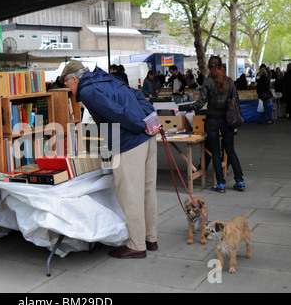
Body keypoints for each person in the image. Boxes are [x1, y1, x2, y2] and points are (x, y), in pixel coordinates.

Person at [60, 60, 160, 259]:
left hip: (128, 141)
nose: (68, 88)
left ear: (73, 78)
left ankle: (137, 244)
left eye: (66, 83)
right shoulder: (109, 77)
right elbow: (138, 95)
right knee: (148, 190)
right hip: (148, 138)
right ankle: (151, 238)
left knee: (130, 195)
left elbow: (116, 113)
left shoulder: (87, 91)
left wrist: (139, 126)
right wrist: (150, 120)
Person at [174, 56, 245, 193]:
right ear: (221, 66)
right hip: (227, 119)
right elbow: (236, 101)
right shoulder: (229, 81)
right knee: (230, 150)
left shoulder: (207, 82)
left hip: (212, 119)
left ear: (209, 66)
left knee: (215, 152)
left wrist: (181, 108)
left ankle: (220, 183)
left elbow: (200, 104)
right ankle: (240, 180)